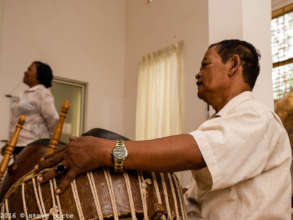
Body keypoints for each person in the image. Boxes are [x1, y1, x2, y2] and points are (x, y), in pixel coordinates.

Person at [36, 40, 291, 220]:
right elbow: (197, 197)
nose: (197, 74)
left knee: (102, 138)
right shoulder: (225, 124)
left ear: (233, 65)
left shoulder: (258, 117)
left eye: (205, 64)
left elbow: (195, 151)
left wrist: (105, 151)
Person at [8, 61, 59, 156]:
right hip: (18, 144)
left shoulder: (42, 93)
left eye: (29, 69)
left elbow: (53, 118)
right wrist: (10, 142)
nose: (25, 72)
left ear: (38, 75)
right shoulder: (25, 93)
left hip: (33, 145)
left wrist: (51, 142)